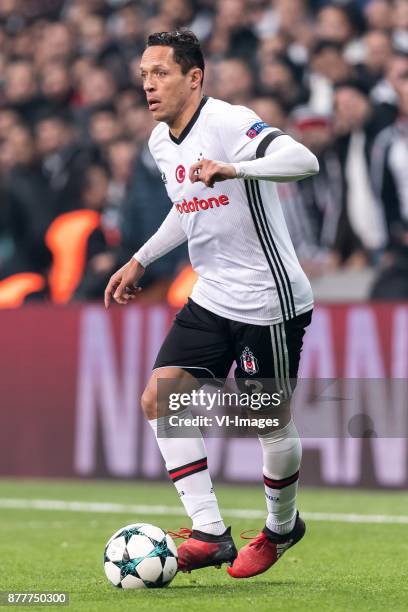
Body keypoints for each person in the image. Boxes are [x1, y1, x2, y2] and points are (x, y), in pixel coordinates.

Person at [104, 30, 318, 578]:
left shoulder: (228, 122)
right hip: (213, 294)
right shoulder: (159, 141)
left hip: (267, 301)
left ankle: (280, 527)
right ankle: (209, 532)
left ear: (194, 77)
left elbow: (304, 160)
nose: (148, 84)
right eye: (144, 75)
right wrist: (142, 258)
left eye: (161, 73)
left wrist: (235, 167)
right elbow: (188, 206)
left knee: (269, 424)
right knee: (159, 397)